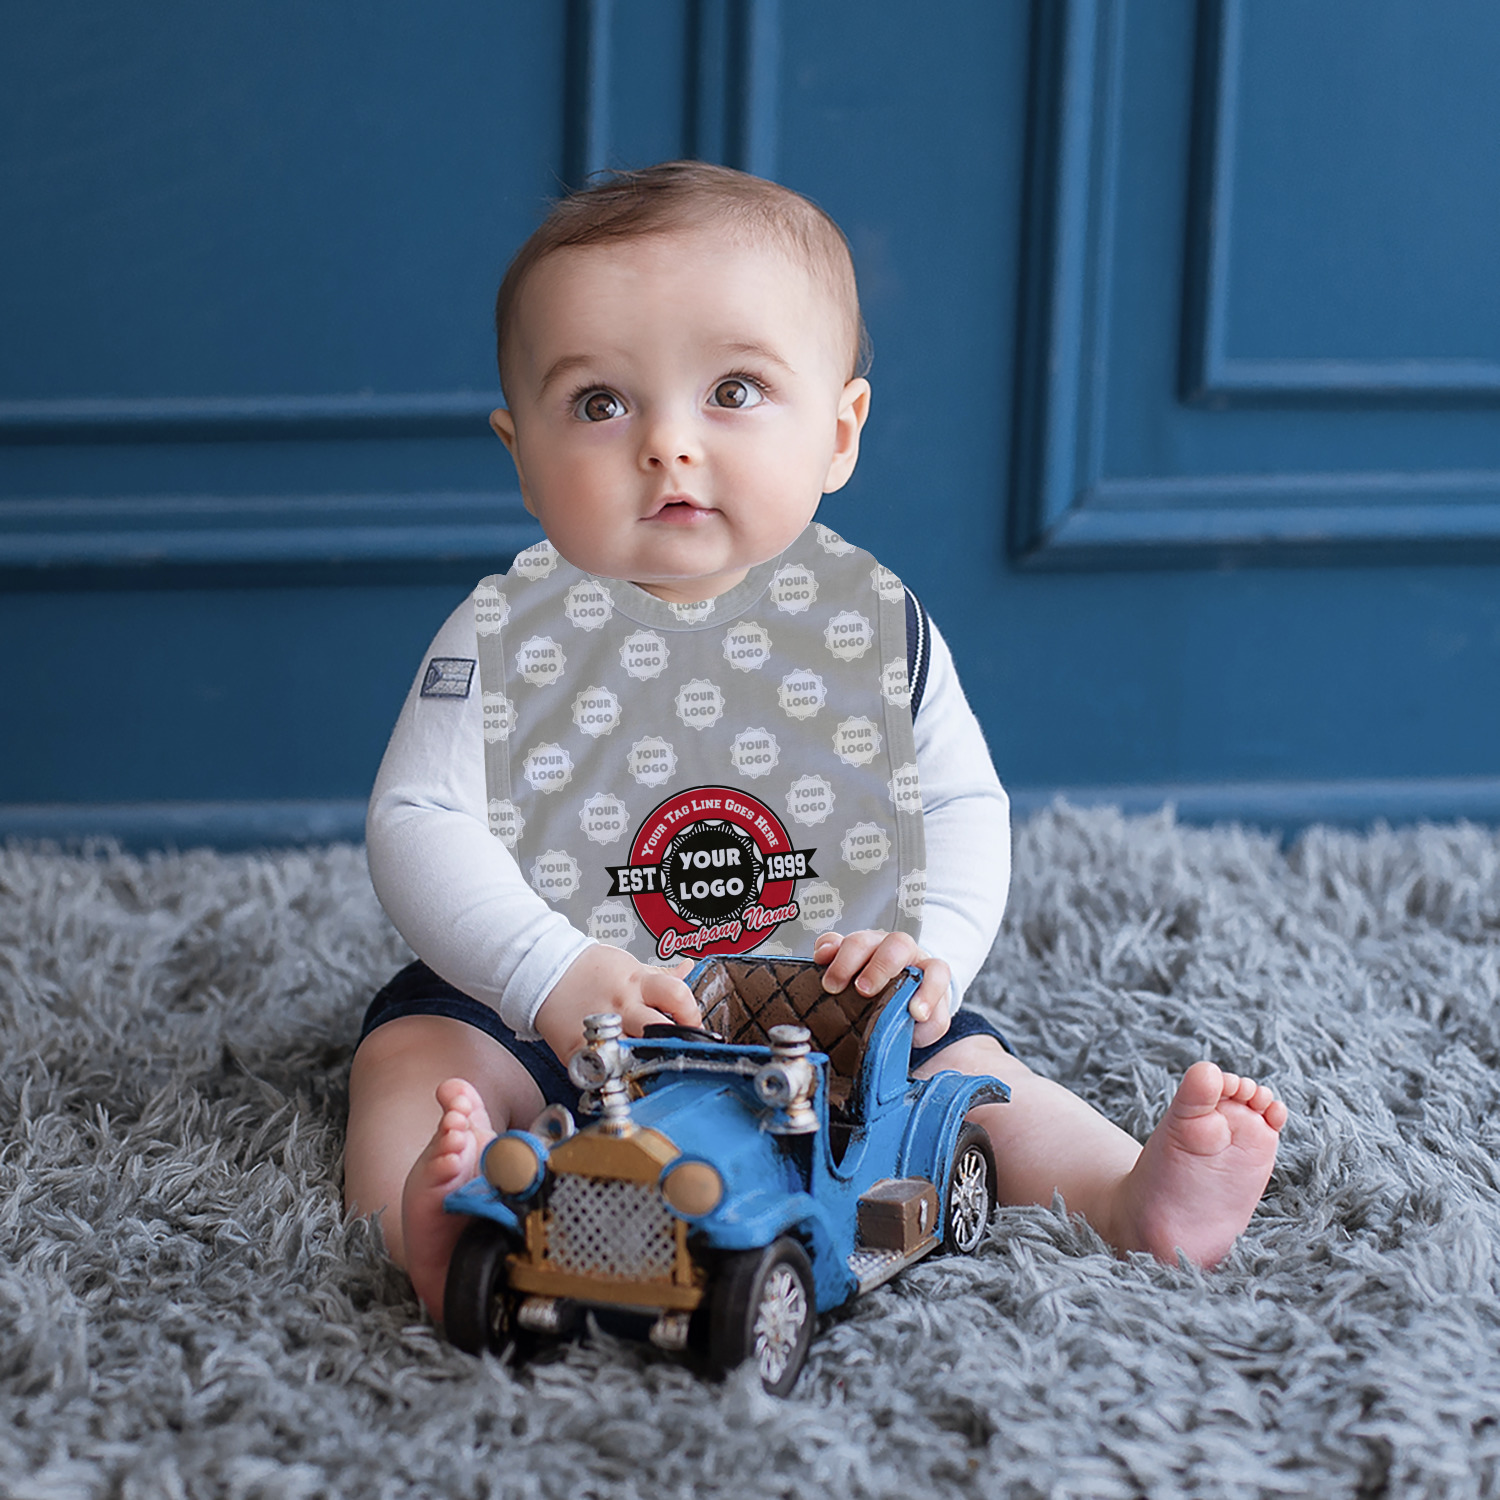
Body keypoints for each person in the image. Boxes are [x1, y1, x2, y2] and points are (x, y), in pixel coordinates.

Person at [345, 161, 1287, 1320]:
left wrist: (930, 954)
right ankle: (438, 1224)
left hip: (814, 1004)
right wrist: (546, 971)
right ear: (521, 455)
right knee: (417, 1062)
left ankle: (1127, 1193)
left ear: (840, 433)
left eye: (733, 389)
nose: (667, 444)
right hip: (549, 1008)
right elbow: (417, 822)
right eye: (598, 404)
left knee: (970, 1079)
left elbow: (958, 807)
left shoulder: (869, 628)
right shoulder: (504, 637)